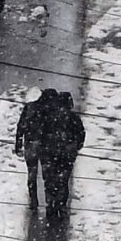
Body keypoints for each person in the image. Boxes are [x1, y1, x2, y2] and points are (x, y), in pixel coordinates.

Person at [31, 89, 86, 226]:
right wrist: (74, 147)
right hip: (66, 155)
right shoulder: (73, 118)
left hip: (49, 155)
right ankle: (61, 206)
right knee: (63, 181)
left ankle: (51, 205)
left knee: (49, 181)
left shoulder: (47, 117)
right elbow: (81, 134)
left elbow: (39, 133)